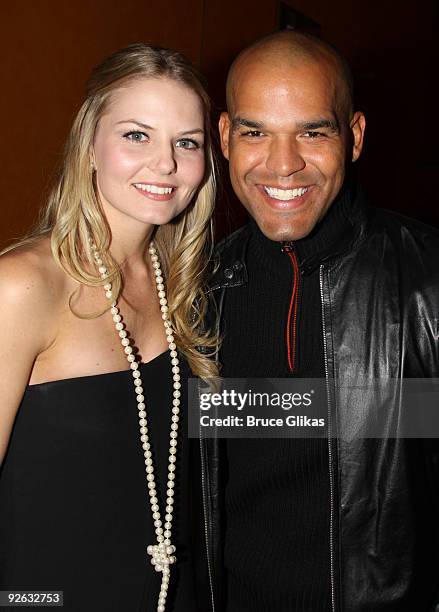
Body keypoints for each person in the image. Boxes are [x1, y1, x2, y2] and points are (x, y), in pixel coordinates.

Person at [198, 31, 439, 611]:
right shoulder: (192, 292)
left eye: (312, 131)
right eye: (256, 132)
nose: (284, 165)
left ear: (353, 137)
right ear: (226, 137)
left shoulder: (427, 282)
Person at [0, 43, 218, 612]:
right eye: (136, 135)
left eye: (186, 143)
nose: (166, 163)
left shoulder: (184, 284)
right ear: (89, 144)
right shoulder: (22, 287)